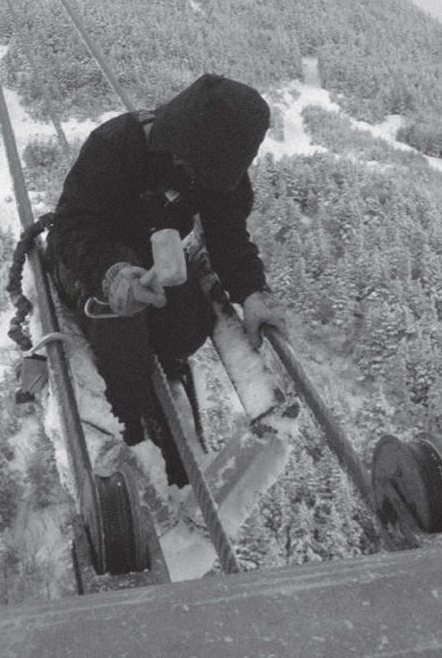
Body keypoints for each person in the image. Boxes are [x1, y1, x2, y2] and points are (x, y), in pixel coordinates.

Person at [47, 73, 287, 483]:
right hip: (89, 258)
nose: (192, 177)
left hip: (152, 259)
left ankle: (160, 368)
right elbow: (73, 227)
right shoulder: (114, 146)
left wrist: (251, 292)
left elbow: (228, 235)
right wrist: (111, 274)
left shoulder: (215, 170)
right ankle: (132, 417)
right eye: (188, 166)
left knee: (188, 325)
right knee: (120, 332)